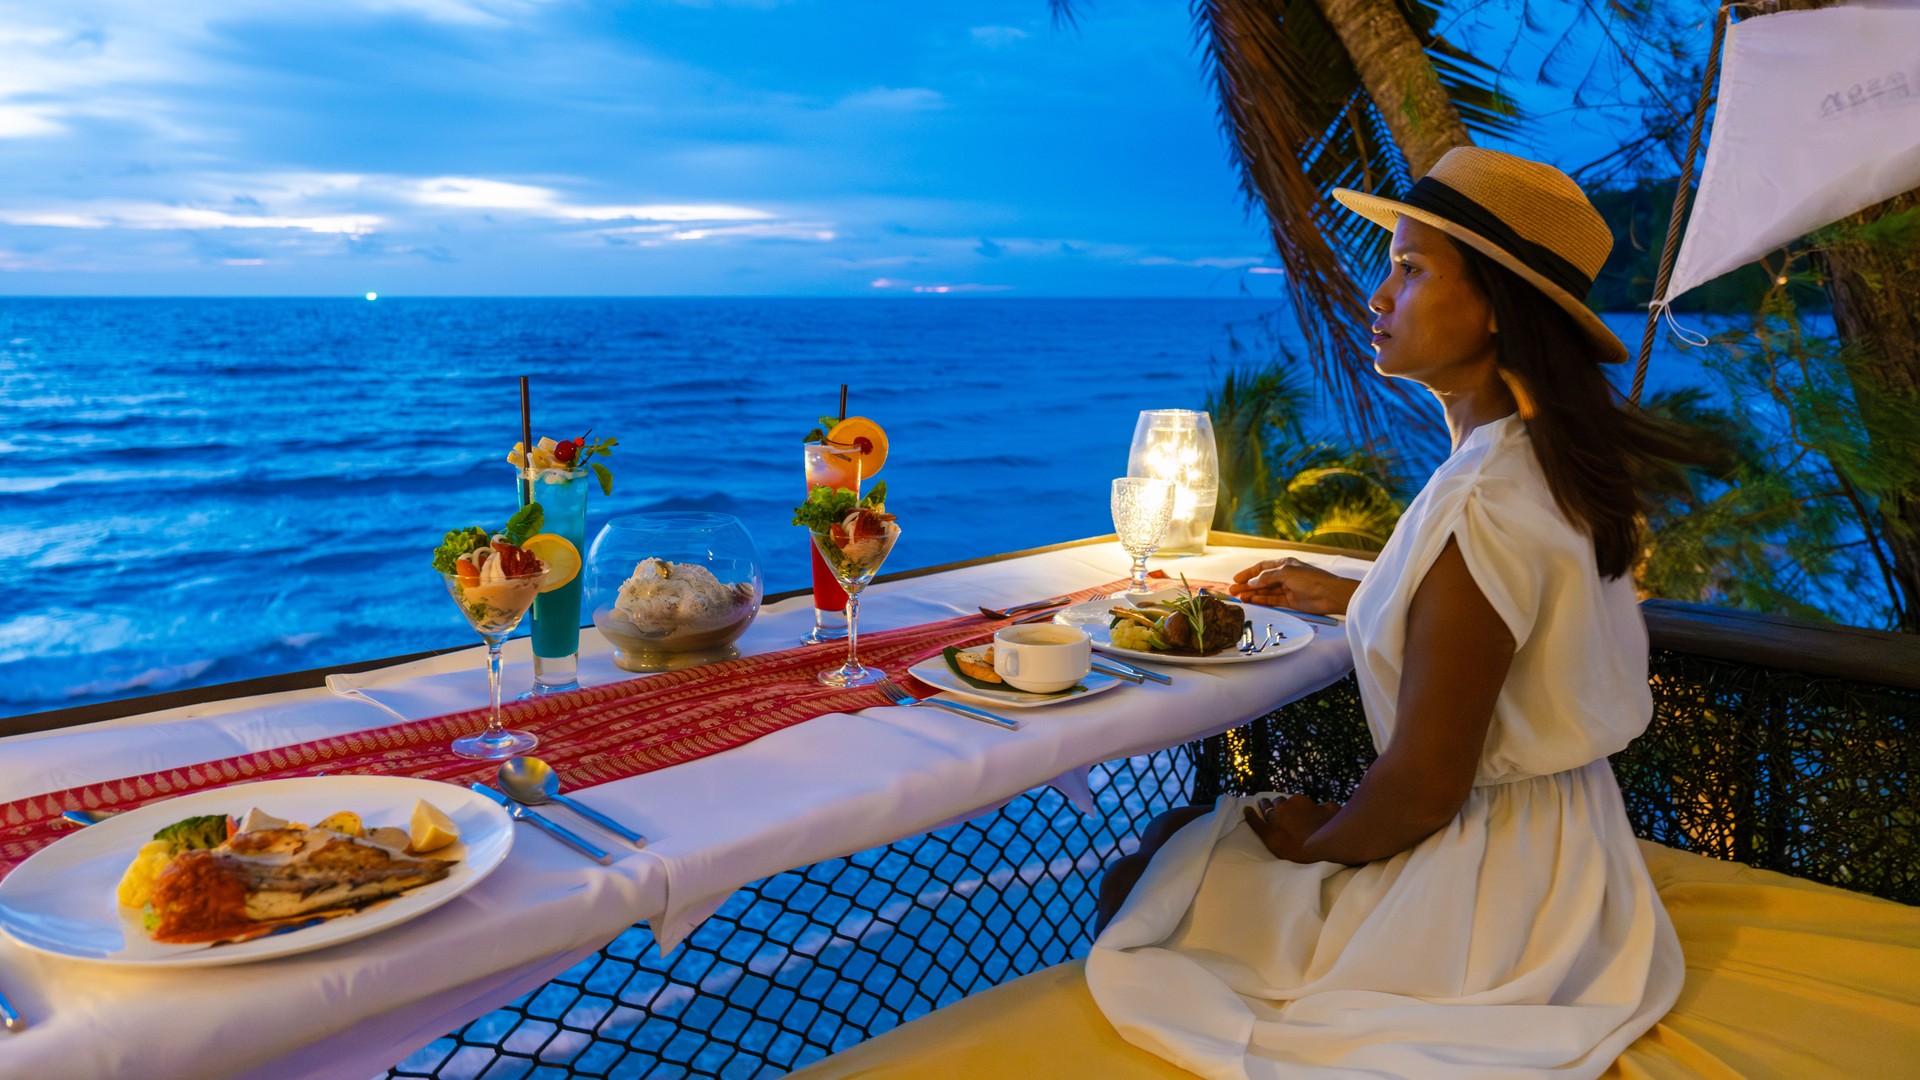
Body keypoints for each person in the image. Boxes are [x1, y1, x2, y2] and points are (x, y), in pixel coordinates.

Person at [1085, 147, 1693, 1080]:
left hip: (1491, 890)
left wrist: (1317, 847)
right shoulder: (1543, 464)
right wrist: (1361, 595)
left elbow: (1424, 784)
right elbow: (1501, 625)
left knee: (1148, 882)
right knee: (1183, 848)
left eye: (1410, 271)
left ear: (1495, 306)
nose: (1378, 294)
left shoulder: (1482, 502)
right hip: (1573, 857)